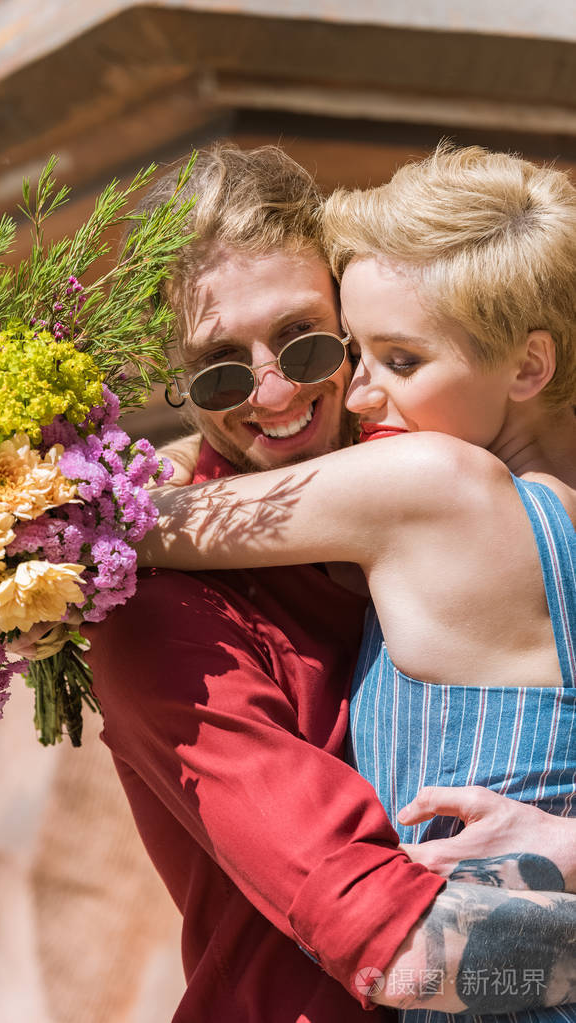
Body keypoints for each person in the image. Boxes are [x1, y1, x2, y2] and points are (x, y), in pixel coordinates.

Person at [87, 144, 576, 1023]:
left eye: (310, 342)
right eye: (221, 367)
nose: (275, 391)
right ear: (179, 379)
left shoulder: (447, 484)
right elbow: (406, 952)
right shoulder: (158, 609)